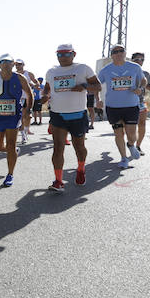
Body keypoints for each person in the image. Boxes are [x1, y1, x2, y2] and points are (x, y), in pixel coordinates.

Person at [41, 44, 100, 191]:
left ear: (74, 54)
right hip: (57, 115)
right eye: (59, 54)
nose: (63, 57)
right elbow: (47, 88)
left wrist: (84, 86)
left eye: (66, 54)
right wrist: (45, 96)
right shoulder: (51, 71)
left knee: (79, 147)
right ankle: (58, 181)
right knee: (57, 148)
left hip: (78, 115)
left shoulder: (83, 68)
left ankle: (80, 170)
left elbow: (98, 86)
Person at [96, 45, 146, 169]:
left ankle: (131, 145)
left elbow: (143, 80)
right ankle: (124, 158)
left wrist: (140, 88)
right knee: (118, 133)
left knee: (131, 135)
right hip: (113, 106)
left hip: (131, 106)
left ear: (125, 53)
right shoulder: (106, 70)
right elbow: (96, 85)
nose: (118, 53)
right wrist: (98, 99)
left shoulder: (135, 67)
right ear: (111, 55)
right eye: (115, 51)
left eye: (121, 51)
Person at [0, 55, 32, 187]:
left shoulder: (20, 78)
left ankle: (10, 174)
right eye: (3, 62)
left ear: (13, 64)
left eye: (8, 62)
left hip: (13, 116)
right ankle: (13, 151)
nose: (5, 64)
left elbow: (29, 94)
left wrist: (28, 110)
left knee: (11, 144)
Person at [130, 52, 150, 154]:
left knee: (142, 123)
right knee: (129, 126)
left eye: (142, 60)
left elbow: (148, 86)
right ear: (132, 60)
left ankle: (138, 146)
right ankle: (130, 143)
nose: (140, 61)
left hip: (140, 101)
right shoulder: (126, 71)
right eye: (137, 59)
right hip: (126, 102)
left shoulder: (146, 74)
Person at [14, 59, 39, 141]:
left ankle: (26, 131)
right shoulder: (13, 75)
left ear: (23, 65)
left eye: (19, 64)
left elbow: (35, 82)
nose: (18, 66)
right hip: (18, 98)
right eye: (16, 64)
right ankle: (23, 135)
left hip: (27, 97)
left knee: (27, 116)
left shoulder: (28, 74)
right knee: (20, 116)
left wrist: (36, 86)